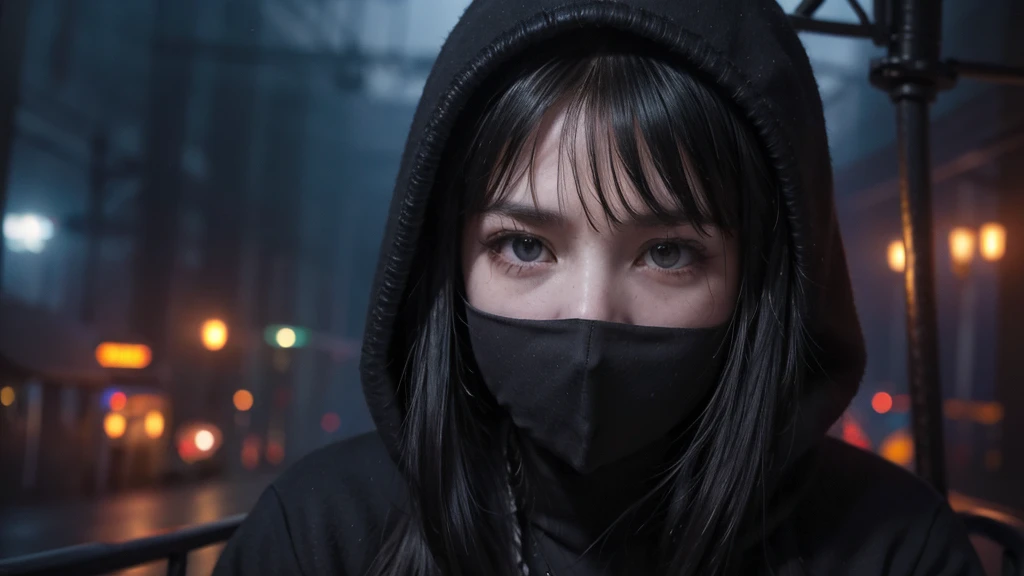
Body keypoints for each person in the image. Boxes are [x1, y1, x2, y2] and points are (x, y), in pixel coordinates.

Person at [214, 0, 984, 574]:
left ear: (762, 280)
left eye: (668, 254)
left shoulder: (894, 550)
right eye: (525, 246)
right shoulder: (318, 537)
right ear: (445, 265)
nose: (589, 320)